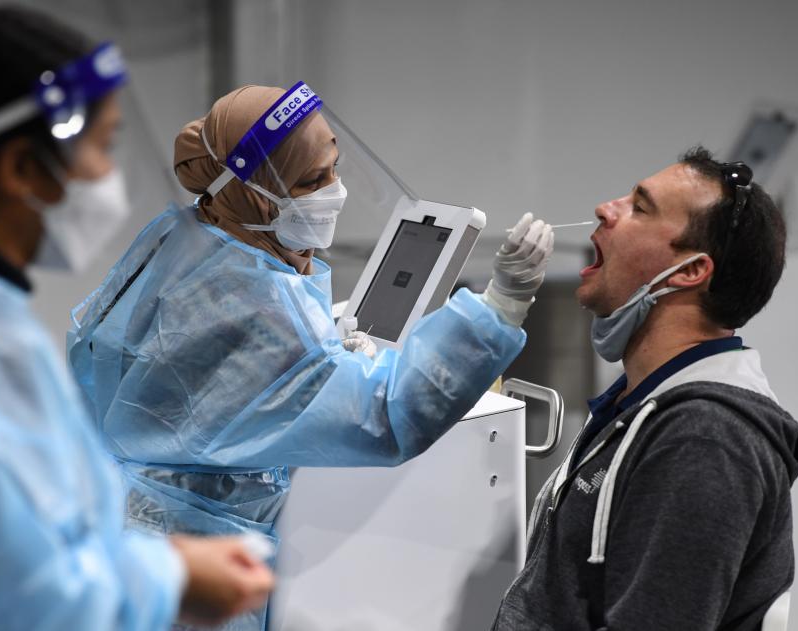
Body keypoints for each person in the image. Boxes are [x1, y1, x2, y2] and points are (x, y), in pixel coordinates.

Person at [66, 84, 554, 630]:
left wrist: (316, 351)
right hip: (194, 567)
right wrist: (501, 305)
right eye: (311, 180)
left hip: (122, 527)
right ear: (253, 191)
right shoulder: (257, 300)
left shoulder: (187, 232)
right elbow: (386, 414)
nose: (334, 191)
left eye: (335, 169)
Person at [0, 7, 272, 630]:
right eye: (103, 147)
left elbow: (16, 539)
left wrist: (157, 558)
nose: (109, 177)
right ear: (22, 169)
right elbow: (0, 600)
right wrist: (172, 581)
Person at [492, 147, 798, 630]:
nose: (605, 209)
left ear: (688, 272)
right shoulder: (639, 409)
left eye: (640, 207)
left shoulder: (705, 437)